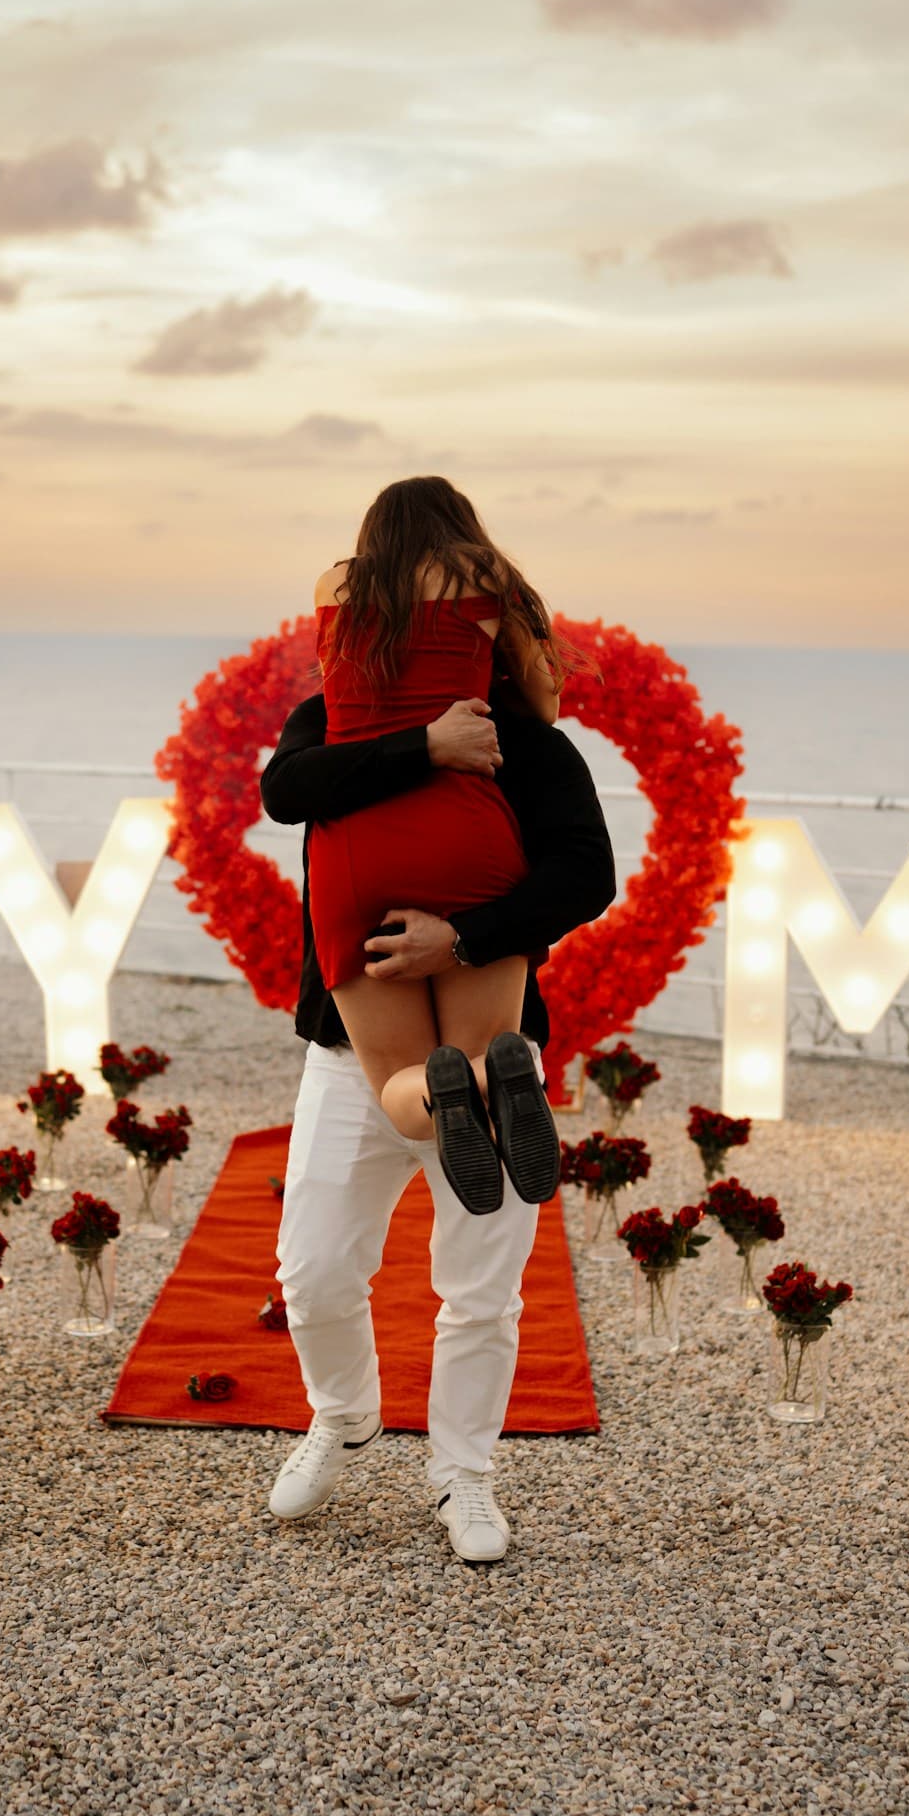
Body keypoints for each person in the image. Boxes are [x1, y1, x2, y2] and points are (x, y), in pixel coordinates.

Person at [258, 657, 614, 1564]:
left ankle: (466, 1472)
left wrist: (462, 939)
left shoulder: (520, 736)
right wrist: (423, 748)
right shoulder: (330, 715)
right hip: (350, 1054)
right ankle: (343, 1416)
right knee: (313, 1271)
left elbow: (585, 872)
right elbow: (285, 791)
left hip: (495, 1059)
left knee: (483, 1288)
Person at [309, 476, 569, 1216]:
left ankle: (442, 1088)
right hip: (466, 829)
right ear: (459, 524)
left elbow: (343, 699)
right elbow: (545, 703)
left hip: (355, 846)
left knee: (397, 1082)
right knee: (487, 1043)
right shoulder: (486, 575)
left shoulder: (336, 584)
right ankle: (499, 1071)